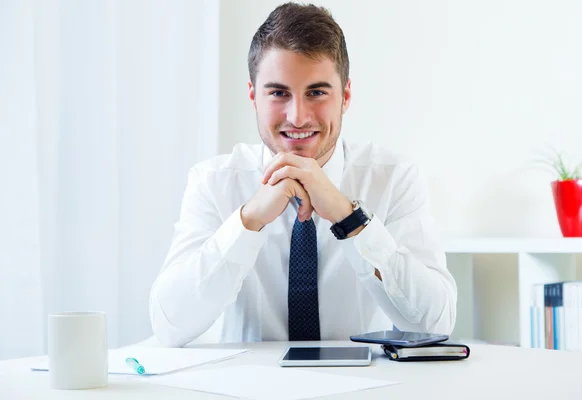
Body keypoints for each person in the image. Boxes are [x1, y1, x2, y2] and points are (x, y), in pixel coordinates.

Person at [149, 2, 457, 347]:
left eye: (317, 92)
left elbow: (436, 324)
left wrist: (350, 218)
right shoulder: (213, 182)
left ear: (346, 96)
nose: (297, 116)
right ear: (253, 96)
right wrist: (248, 221)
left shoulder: (394, 179)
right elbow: (170, 325)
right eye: (279, 93)